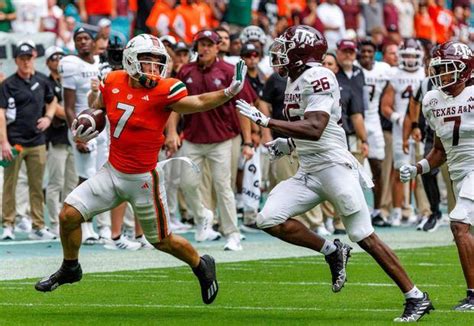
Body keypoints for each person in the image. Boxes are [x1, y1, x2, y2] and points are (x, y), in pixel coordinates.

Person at [237, 25, 433, 322]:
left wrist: (267, 121)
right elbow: (316, 129)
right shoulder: (295, 80)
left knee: (363, 235)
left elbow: (316, 128)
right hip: (309, 169)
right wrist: (288, 144)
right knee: (268, 218)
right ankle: (331, 250)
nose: (278, 54)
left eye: (285, 48)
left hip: (334, 167)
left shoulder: (319, 76)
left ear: (301, 53)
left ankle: (416, 296)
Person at [35, 34, 249, 304]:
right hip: (112, 172)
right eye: (147, 61)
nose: (153, 68)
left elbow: (196, 103)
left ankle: (201, 264)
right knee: (68, 215)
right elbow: (98, 106)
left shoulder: (165, 89)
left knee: (162, 241)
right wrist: (89, 119)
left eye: (158, 62)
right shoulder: (112, 80)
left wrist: (228, 92)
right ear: (131, 60)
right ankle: (70, 267)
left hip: (143, 180)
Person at [400, 41, 474, 311]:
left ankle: (473, 295)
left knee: (458, 224)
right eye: (438, 69)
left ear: (464, 70)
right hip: (459, 173)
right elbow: (440, 149)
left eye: (447, 69)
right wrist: (418, 167)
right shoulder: (432, 100)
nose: (440, 75)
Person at [0, 40, 58, 241]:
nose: (25, 62)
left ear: (33, 58)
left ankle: (38, 225)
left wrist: (49, 117)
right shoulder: (8, 84)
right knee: (10, 184)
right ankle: (8, 223)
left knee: (36, 184)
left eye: (28, 58)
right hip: (14, 142)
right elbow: (1, 113)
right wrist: (4, 142)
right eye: (22, 58)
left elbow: (52, 101)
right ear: (16, 60)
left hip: (37, 141)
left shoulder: (42, 81)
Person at [60, 27, 111, 243]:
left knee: (103, 178)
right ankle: (86, 225)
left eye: (86, 38)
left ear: (93, 41)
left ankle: (103, 225)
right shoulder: (72, 65)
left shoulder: (102, 63)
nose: (82, 42)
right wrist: (77, 134)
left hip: (103, 128)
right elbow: (69, 105)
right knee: (86, 178)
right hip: (84, 129)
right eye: (78, 39)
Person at [380, 39, 427, 226]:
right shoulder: (395, 75)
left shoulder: (425, 74)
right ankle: (398, 211)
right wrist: (398, 118)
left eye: (413, 56)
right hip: (400, 130)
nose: (409, 59)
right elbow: (385, 106)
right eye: (406, 55)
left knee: (422, 171)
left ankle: (424, 211)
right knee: (400, 171)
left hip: (422, 129)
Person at [44, 45, 78, 237]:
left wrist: (71, 112)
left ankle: (67, 219)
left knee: (72, 184)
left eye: (61, 58)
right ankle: (54, 222)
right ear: (48, 62)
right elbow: (56, 109)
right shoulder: (46, 83)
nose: (58, 61)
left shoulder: (70, 82)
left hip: (73, 137)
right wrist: (74, 113)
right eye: (54, 58)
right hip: (57, 138)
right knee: (56, 182)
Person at [357, 40, 391, 227]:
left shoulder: (384, 69)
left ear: (375, 53)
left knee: (378, 167)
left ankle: (377, 211)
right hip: (355, 120)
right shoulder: (353, 67)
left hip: (373, 119)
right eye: (363, 51)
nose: (367, 55)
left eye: (370, 51)